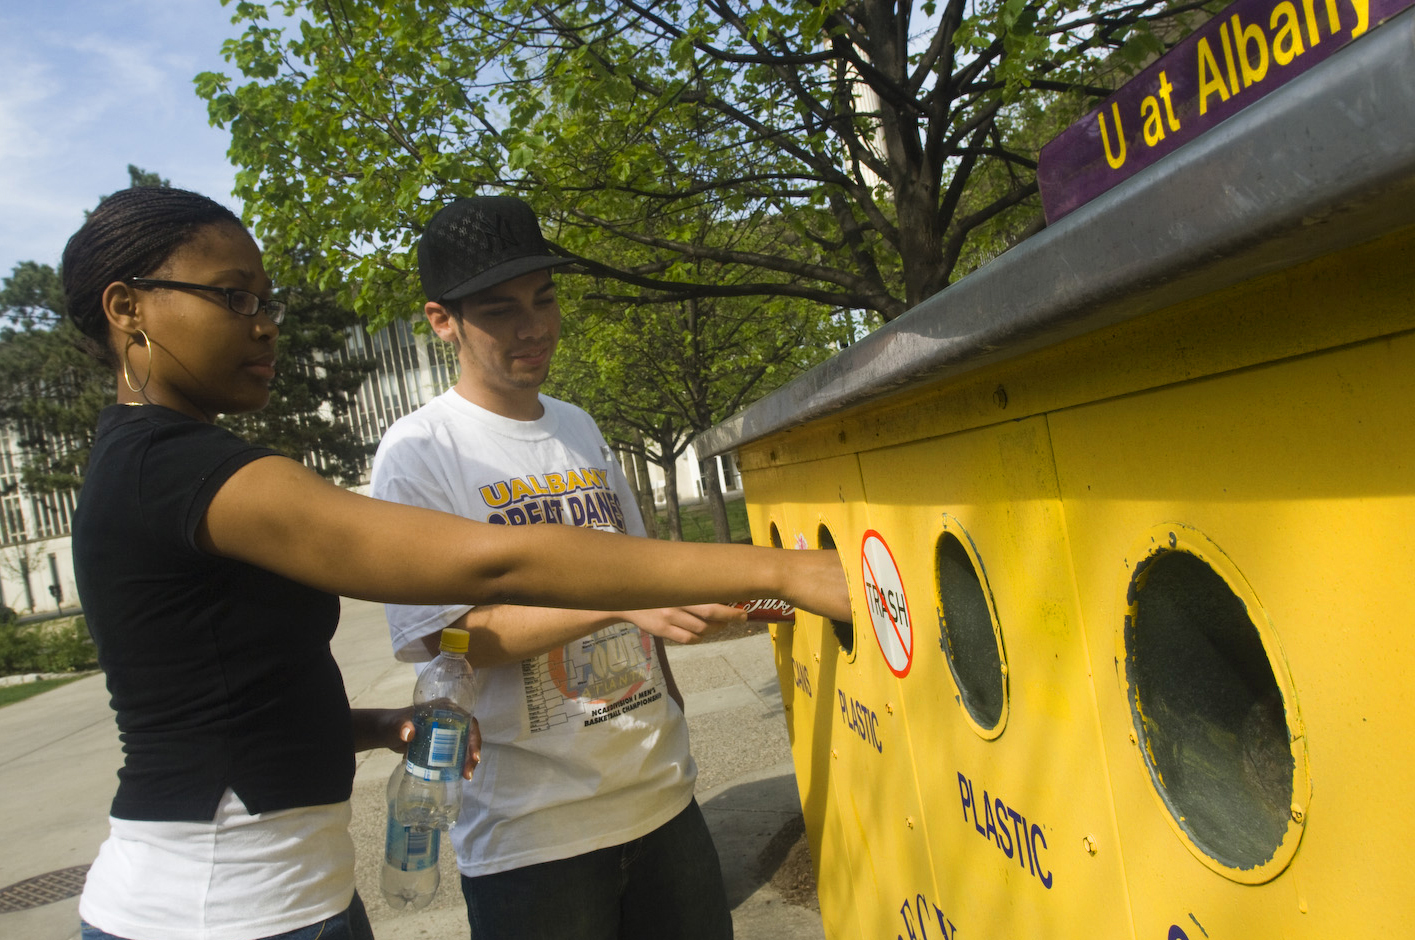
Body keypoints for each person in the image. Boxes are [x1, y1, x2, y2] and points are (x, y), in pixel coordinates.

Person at [62, 187, 851, 940]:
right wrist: (778, 571)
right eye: (233, 297)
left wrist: (375, 725)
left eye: (267, 301)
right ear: (127, 307)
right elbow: (492, 571)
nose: (263, 324)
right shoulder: (170, 469)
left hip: (292, 895)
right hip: (212, 909)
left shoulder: (179, 465)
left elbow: (221, 705)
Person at [369, 195, 743, 940]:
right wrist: (616, 601)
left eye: (544, 299)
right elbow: (451, 637)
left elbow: (645, 571)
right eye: (500, 310)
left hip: (661, 795)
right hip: (533, 836)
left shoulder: (578, 425)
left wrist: (673, 687)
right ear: (442, 320)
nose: (534, 326)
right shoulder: (420, 452)